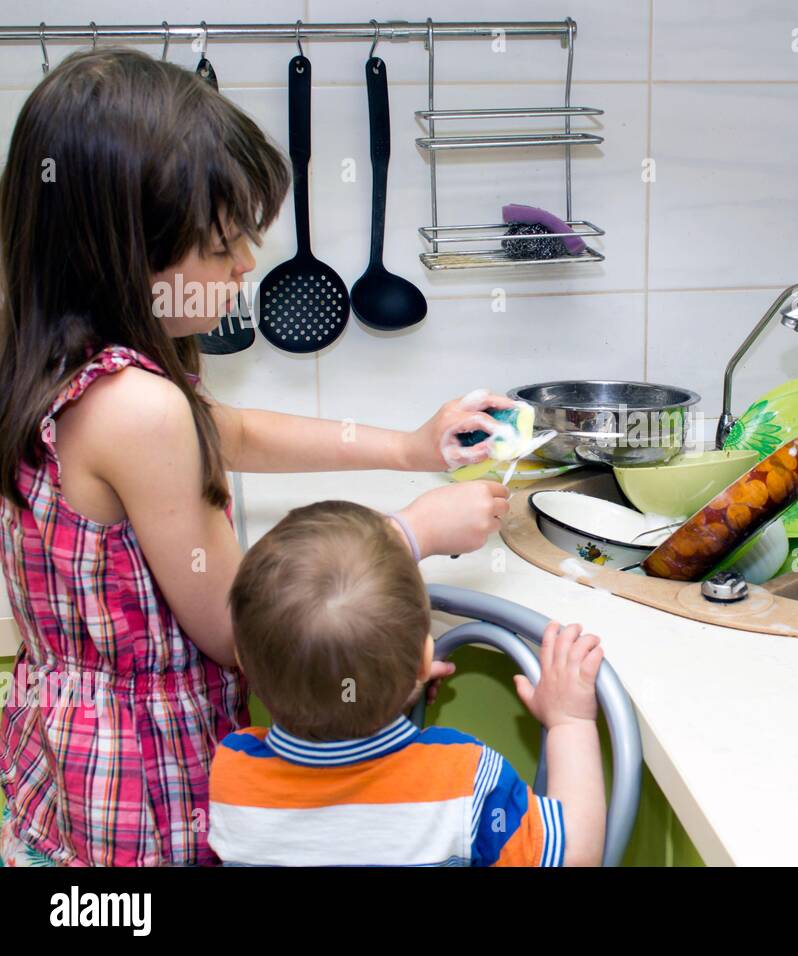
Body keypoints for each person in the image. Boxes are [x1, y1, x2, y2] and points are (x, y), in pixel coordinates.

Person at [0, 49, 510, 866]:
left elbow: (226, 432)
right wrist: (410, 534)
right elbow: (247, 631)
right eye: (220, 243)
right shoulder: (139, 408)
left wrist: (409, 447)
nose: (246, 263)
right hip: (145, 784)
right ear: (122, 252)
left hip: (64, 753)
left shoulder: (61, 360)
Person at [208, 501, 606, 867]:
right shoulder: (463, 777)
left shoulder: (232, 775)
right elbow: (574, 855)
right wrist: (570, 722)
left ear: (243, 661)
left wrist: (376, 688)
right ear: (423, 659)